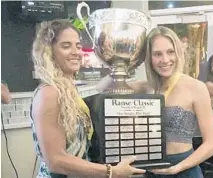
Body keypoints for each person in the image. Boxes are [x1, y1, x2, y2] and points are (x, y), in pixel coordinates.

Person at [30, 19, 145, 178]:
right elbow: (55, 160)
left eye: (77, 45)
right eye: (66, 46)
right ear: (49, 51)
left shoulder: (68, 91)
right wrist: (112, 172)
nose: (75, 52)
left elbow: (101, 88)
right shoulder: (49, 93)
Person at [100, 26, 213, 178]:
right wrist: (130, 62)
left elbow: (211, 144)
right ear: (149, 57)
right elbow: (102, 88)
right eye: (157, 54)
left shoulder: (196, 87)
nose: (165, 60)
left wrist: (177, 168)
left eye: (170, 52)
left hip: (184, 169)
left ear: (178, 53)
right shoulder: (145, 86)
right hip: (150, 171)